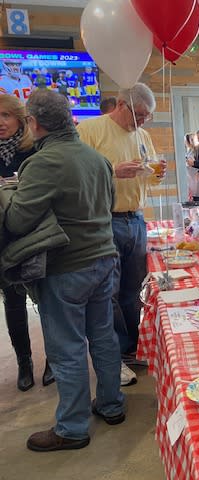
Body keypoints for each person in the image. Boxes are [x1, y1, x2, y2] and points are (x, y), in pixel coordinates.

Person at [5, 89, 124, 451]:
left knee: (67, 348)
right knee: (103, 336)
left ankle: (72, 428)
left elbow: (17, 220)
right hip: (105, 259)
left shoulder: (43, 163)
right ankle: (111, 404)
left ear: (33, 122)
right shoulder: (97, 159)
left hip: (66, 267)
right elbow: (109, 205)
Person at [77, 82, 166, 387]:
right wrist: (113, 171)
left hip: (136, 219)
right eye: (139, 115)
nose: (142, 122)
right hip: (105, 220)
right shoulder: (90, 130)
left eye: (147, 117)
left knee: (133, 290)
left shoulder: (142, 136)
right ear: (120, 105)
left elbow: (149, 178)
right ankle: (113, 358)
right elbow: (78, 176)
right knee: (109, 293)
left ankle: (131, 348)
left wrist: (157, 174)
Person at [0, 94, 53, 391]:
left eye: (5, 115)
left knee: (45, 301)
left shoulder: (36, 148)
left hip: (36, 235)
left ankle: (53, 359)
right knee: (13, 303)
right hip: (4, 238)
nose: (0, 123)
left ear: (20, 119)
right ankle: (24, 362)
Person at [184, 132, 199, 201]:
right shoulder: (190, 150)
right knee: (192, 194)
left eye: (186, 141)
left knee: (197, 194)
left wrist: (192, 163)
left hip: (196, 174)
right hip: (190, 175)